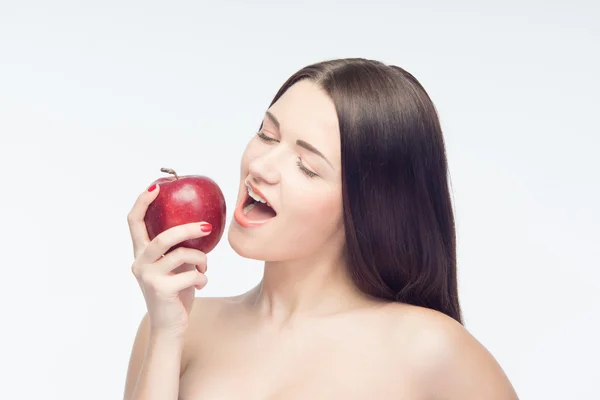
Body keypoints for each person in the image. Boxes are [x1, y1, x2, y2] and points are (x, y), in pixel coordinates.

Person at [123, 58, 519, 400]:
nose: (260, 167)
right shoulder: (179, 328)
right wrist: (166, 331)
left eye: (307, 166)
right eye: (266, 134)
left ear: (366, 207)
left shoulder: (433, 351)